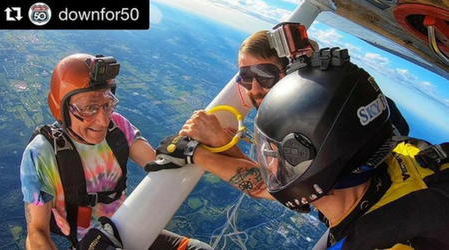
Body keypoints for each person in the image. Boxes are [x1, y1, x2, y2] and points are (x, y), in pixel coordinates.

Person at [152, 48, 449, 249]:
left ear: (320, 162)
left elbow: (271, 184)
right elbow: (266, 184)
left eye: (275, 153)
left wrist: (196, 151)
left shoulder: (371, 239)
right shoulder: (388, 162)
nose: (268, 164)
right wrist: (198, 152)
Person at [148, 30, 408, 199]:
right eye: (245, 77)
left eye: (264, 75)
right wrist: (219, 145)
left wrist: (197, 152)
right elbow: (278, 180)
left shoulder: (317, 120)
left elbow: (281, 190)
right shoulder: (338, 97)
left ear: (294, 71)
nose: (255, 89)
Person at [20, 53, 213, 249]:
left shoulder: (117, 126)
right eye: (89, 108)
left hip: (129, 224)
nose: (103, 120)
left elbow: (155, 163)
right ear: (61, 108)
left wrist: (188, 149)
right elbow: (37, 231)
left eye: (107, 104)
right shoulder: (42, 152)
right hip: (91, 242)